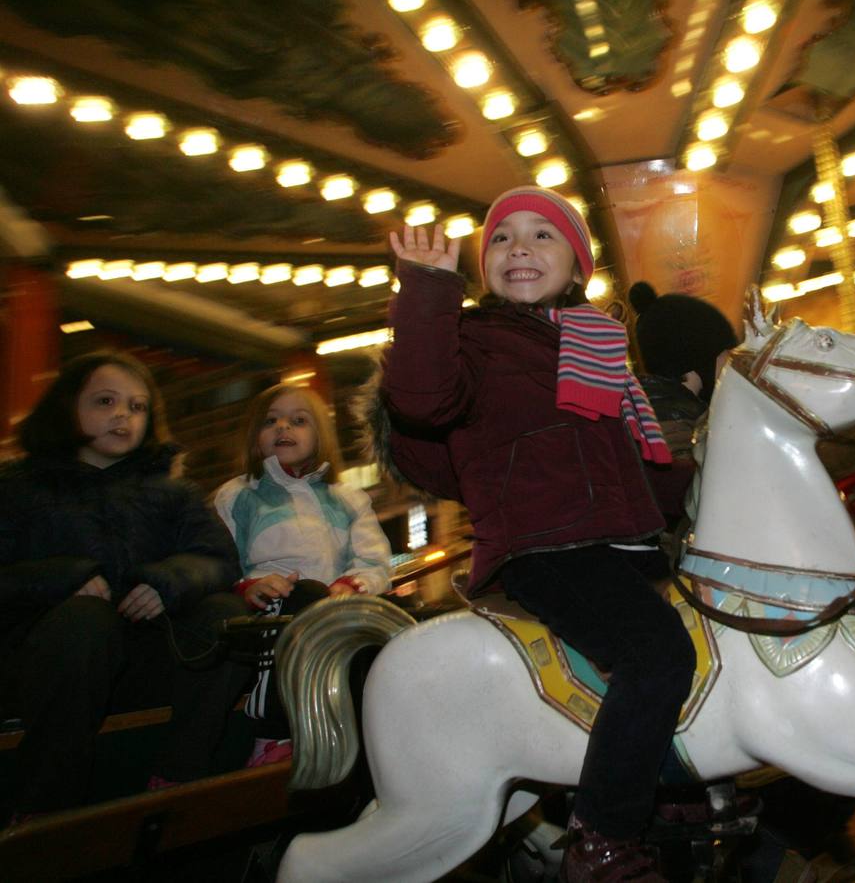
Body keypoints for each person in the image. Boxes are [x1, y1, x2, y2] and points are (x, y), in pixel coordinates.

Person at [378, 186, 696, 883]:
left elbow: (638, 463)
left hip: (620, 541)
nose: (519, 246)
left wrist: (701, 482)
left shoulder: (598, 343)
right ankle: (604, 834)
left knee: (710, 638)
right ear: (483, 266)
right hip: (539, 542)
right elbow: (422, 399)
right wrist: (429, 291)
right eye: (501, 238)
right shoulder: (473, 341)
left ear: (578, 265)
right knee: (657, 652)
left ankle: (676, 792)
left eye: (542, 235)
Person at [0, 352, 248, 820]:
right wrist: (62, 580)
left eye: (137, 407)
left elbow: (218, 560)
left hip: (140, 656)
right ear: (67, 407)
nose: (123, 415)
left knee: (225, 618)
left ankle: (178, 775)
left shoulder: (172, 493)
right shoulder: (18, 488)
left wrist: (167, 583)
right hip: (47, 663)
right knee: (85, 621)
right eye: (106, 401)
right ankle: (44, 809)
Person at [214, 383, 392, 768]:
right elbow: (221, 559)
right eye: (271, 421)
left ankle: (377, 730)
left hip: (334, 608)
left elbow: (375, 560)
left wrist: (352, 585)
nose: (283, 428)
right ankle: (272, 734)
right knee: (305, 598)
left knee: (387, 624)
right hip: (272, 610)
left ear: (320, 435)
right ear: (255, 435)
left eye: (298, 420)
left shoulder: (346, 497)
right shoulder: (237, 495)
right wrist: (248, 586)